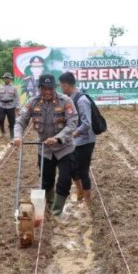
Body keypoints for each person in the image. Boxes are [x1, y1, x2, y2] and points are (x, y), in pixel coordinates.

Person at [14, 74, 78, 215]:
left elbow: (72, 122)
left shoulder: (65, 101)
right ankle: (49, 204)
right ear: (40, 88)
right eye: (44, 88)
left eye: (50, 88)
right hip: (45, 149)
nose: (47, 92)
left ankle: (57, 210)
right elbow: (21, 120)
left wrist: (58, 138)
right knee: (46, 181)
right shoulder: (33, 102)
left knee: (65, 180)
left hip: (64, 148)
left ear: (54, 88)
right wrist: (18, 136)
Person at [59, 72, 95, 203]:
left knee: (83, 171)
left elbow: (87, 124)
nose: (61, 89)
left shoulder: (81, 100)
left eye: (61, 86)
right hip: (74, 140)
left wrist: (72, 133)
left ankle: (88, 200)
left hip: (85, 141)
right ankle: (80, 191)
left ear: (66, 85)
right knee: (73, 168)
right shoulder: (69, 99)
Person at [0, 72, 20, 139]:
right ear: (3, 79)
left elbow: (17, 98)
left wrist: (18, 106)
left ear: (10, 79)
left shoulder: (14, 88)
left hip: (11, 106)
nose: (6, 79)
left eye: (7, 78)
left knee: (12, 122)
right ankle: (3, 131)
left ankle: (12, 136)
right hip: (2, 106)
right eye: (5, 78)